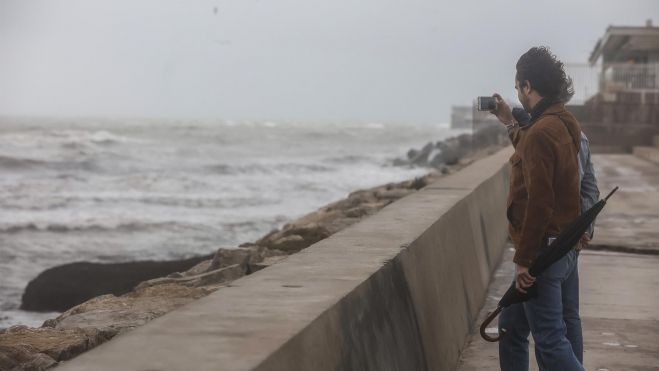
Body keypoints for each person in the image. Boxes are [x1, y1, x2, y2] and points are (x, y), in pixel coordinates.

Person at [489, 46, 588, 371]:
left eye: (519, 86)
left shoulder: (541, 132)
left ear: (528, 86)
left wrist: (524, 261)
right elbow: (536, 153)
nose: (518, 91)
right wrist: (509, 122)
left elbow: (540, 203)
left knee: (550, 340)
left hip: (543, 254)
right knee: (512, 326)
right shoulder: (565, 121)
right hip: (565, 246)